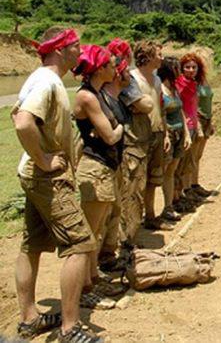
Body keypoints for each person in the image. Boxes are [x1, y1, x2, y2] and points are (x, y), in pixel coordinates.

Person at [12, 28, 103, 342]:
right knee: (79, 244)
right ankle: (70, 328)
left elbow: (21, 116)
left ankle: (29, 319)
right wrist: (44, 160)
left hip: (34, 175)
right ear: (61, 49)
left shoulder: (41, 79)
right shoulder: (48, 81)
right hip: (47, 177)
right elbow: (23, 120)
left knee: (32, 245)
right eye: (76, 46)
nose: (80, 52)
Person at [72, 45, 125, 310]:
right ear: (100, 68)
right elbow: (110, 134)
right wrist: (120, 128)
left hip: (104, 167)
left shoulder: (98, 93)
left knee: (98, 228)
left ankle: (92, 279)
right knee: (88, 234)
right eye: (111, 64)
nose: (116, 68)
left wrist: (115, 130)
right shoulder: (88, 97)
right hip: (94, 169)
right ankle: (83, 290)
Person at [107, 39, 154, 265]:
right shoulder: (123, 79)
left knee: (128, 194)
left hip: (134, 144)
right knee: (131, 195)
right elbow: (145, 105)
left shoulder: (119, 79)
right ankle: (126, 244)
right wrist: (142, 102)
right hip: (131, 145)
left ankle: (123, 243)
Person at [130, 42, 168, 231]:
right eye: (159, 54)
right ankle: (134, 222)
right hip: (138, 136)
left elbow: (160, 108)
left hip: (157, 132)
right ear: (148, 56)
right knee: (137, 181)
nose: (162, 58)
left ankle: (150, 216)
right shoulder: (132, 79)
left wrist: (165, 133)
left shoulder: (157, 80)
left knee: (154, 178)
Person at [158, 57, 192, 221]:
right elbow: (161, 115)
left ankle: (168, 206)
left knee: (171, 171)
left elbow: (181, 112)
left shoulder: (174, 89)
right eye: (177, 69)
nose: (180, 72)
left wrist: (186, 133)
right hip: (169, 133)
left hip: (179, 131)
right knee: (165, 171)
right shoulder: (161, 89)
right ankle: (162, 206)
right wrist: (165, 135)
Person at [175, 53, 209, 209]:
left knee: (190, 162)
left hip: (194, 125)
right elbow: (179, 106)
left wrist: (199, 126)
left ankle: (186, 192)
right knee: (181, 164)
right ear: (181, 68)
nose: (190, 70)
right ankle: (180, 195)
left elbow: (194, 108)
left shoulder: (194, 83)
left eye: (193, 67)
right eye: (187, 67)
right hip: (185, 127)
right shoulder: (180, 84)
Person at [192, 61, 216, 194]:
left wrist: (211, 121)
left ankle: (194, 184)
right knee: (193, 155)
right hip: (198, 119)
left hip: (207, 119)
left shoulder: (205, 81)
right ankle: (191, 186)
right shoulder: (194, 83)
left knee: (198, 155)